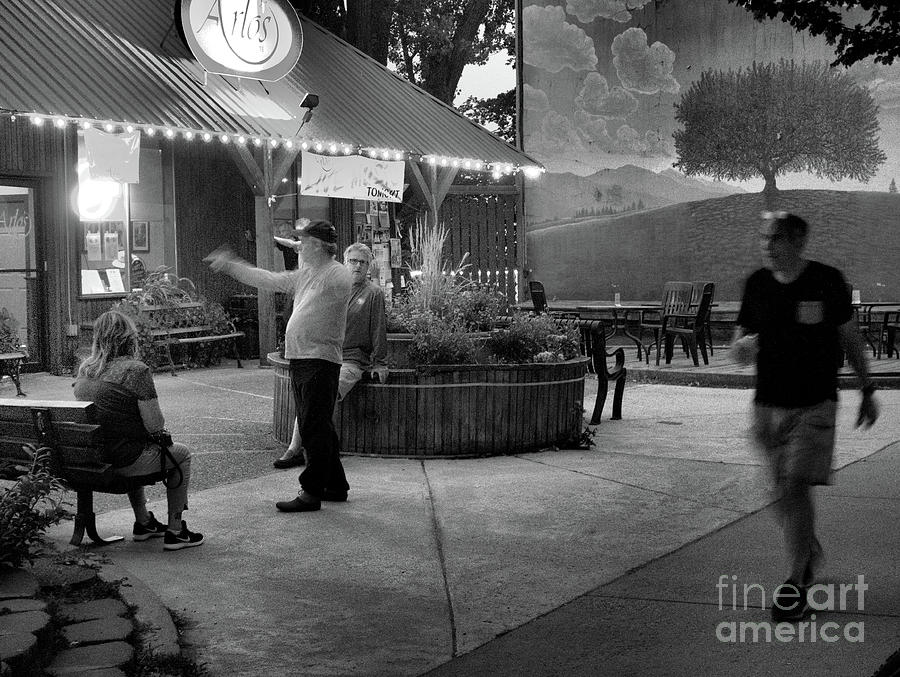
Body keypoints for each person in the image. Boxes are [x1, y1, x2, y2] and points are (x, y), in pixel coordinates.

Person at [730, 211, 878, 622]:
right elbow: (739, 342)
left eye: (774, 238)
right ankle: (807, 551)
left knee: (794, 485)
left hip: (815, 403)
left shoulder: (826, 280)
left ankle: (796, 584)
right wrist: (741, 349)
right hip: (767, 408)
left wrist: (867, 389)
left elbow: (850, 338)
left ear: (798, 241)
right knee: (780, 492)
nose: (766, 245)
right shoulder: (757, 284)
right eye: (763, 237)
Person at [205, 219, 352, 512]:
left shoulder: (337, 274)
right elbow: (269, 280)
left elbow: (331, 289)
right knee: (318, 424)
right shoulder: (307, 273)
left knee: (313, 426)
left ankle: (311, 492)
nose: (300, 248)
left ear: (318, 246)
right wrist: (232, 266)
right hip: (302, 357)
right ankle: (336, 485)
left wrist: (312, 252)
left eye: (305, 243)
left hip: (320, 359)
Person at [73, 310, 203, 551]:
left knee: (131, 442)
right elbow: (155, 425)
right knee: (181, 454)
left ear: (98, 338)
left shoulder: (85, 371)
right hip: (123, 462)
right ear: (128, 338)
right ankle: (176, 531)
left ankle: (144, 522)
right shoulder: (135, 371)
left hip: (93, 461)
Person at [274, 242, 389, 469]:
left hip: (351, 360)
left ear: (369, 267)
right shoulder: (333, 286)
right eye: (353, 261)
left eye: (363, 262)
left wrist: (380, 363)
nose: (357, 266)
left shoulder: (373, 293)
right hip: (323, 354)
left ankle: (299, 449)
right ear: (345, 262)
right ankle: (303, 451)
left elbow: (378, 329)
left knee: (320, 396)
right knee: (312, 395)